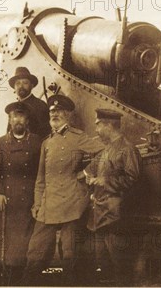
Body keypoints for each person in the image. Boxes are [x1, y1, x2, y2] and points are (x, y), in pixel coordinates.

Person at [21, 95, 104, 285]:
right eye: (52, 112)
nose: (55, 114)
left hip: (73, 202)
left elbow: (103, 153)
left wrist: (85, 172)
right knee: (36, 251)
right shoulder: (47, 143)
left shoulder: (78, 137)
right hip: (48, 203)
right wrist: (37, 203)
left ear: (68, 115)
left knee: (70, 253)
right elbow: (41, 178)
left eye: (59, 111)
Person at [83, 109, 143, 285]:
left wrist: (104, 181)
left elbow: (134, 179)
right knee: (105, 264)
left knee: (121, 267)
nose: (96, 130)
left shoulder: (127, 149)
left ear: (109, 125)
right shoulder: (108, 149)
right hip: (101, 216)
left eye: (98, 125)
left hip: (116, 218)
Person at [0, 102, 43, 286]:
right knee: (7, 248)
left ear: (27, 120)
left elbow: (42, 173)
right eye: (14, 116)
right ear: (10, 120)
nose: (18, 120)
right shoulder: (1, 143)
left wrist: (38, 200)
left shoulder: (37, 142)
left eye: (22, 116)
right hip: (8, 203)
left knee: (27, 246)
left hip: (29, 203)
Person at [8, 66, 51, 139]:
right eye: (18, 83)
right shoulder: (13, 108)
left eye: (25, 83)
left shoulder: (40, 105)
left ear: (32, 85)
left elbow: (46, 135)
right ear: (14, 87)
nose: (21, 86)